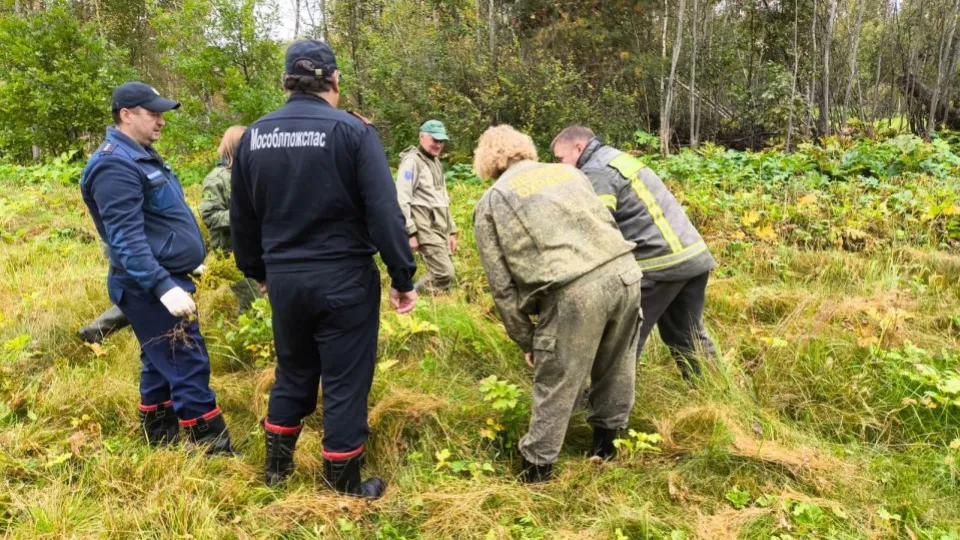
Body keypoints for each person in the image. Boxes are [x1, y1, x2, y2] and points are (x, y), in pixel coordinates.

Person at [230, 40, 418, 498]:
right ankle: (343, 483)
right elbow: (384, 211)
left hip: (285, 280)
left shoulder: (255, 135)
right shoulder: (352, 132)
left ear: (285, 83)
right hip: (343, 278)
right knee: (345, 378)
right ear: (334, 81)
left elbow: (242, 216)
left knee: (293, 370)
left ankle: (276, 469)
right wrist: (402, 275)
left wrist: (259, 271)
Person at [472, 125, 642, 483]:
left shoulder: (493, 200)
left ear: (485, 159)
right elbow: (606, 220)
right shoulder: (569, 172)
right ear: (526, 147)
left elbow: (502, 286)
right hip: (625, 272)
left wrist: (527, 338)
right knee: (617, 366)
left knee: (556, 380)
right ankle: (606, 447)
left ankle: (537, 469)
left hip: (574, 291)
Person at [80, 82, 233, 453]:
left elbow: (158, 222)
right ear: (126, 115)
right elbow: (126, 240)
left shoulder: (142, 155)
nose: (161, 121)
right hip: (145, 286)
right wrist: (163, 286)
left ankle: (158, 436)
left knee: (157, 358)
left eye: (162, 113)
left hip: (165, 276)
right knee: (186, 359)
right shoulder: (115, 165)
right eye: (153, 113)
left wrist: (186, 260)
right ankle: (211, 448)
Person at [552, 125, 717, 381]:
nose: (562, 167)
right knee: (687, 333)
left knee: (623, 340)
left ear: (578, 147)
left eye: (561, 159)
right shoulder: (617, 158)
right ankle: (715, 390)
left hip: (658, 265)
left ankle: (604, 408)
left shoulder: (595, 171)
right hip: (692, 257)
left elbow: (598, 228)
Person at [199, 125, 262, 311]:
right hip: (231, 254)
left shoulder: (252, 173)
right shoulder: (216, 179)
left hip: (257, 250)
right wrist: (243, 216)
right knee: (253, 304)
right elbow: (210, 216)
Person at [395, 120, 458, 293]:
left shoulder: (435, 162)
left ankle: (433, 308)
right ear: (421, 137)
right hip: (424, 225)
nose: (438, 145)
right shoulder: (411, 162)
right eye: (434, 140)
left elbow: (442, 198)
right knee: (444, 273)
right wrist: (410, 232)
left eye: (441, 141)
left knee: (446, 275)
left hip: (440, 226)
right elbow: (402, 198)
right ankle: (411, 294)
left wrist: (451, 231)